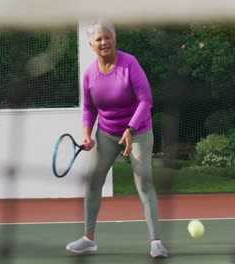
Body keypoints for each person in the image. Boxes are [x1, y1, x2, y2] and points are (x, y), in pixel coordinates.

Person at [65, 19, 168, 258]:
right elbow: (89, 109)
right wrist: (87, 136)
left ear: (115, 39)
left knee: (144, 181)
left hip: (139, 131)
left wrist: (131, 129)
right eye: (98, 39)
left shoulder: (129, 64)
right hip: (107, 134)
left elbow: (146, 101)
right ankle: (88, 239)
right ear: (91, 44)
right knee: (93, 181)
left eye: (107, 37)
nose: (104, 42)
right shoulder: (90, 74)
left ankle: (156, 242)